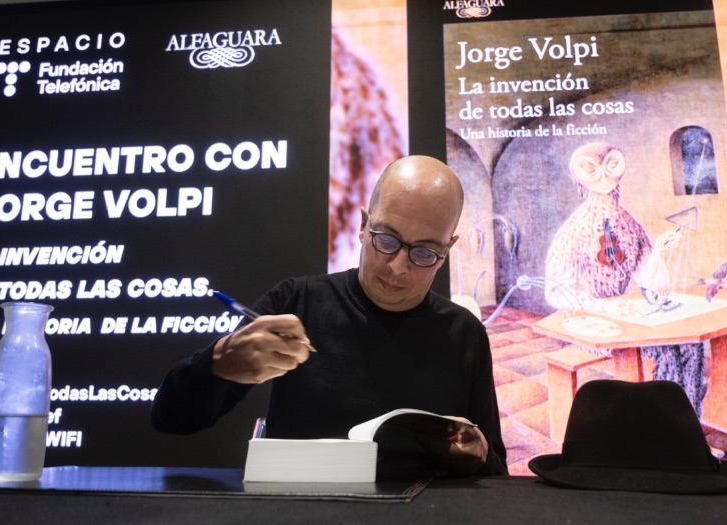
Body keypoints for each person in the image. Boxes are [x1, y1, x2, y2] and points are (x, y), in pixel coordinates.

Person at [151, 155, 507, 476]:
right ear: (363, 225)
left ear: (448, 249)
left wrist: (477, 455)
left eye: (424, 253)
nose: (398, 267)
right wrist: (219, 362)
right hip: (304, 508)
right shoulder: (297, 302)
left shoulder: (464, 334)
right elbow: (171, 418)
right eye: (387, 240)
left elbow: (496, 471)